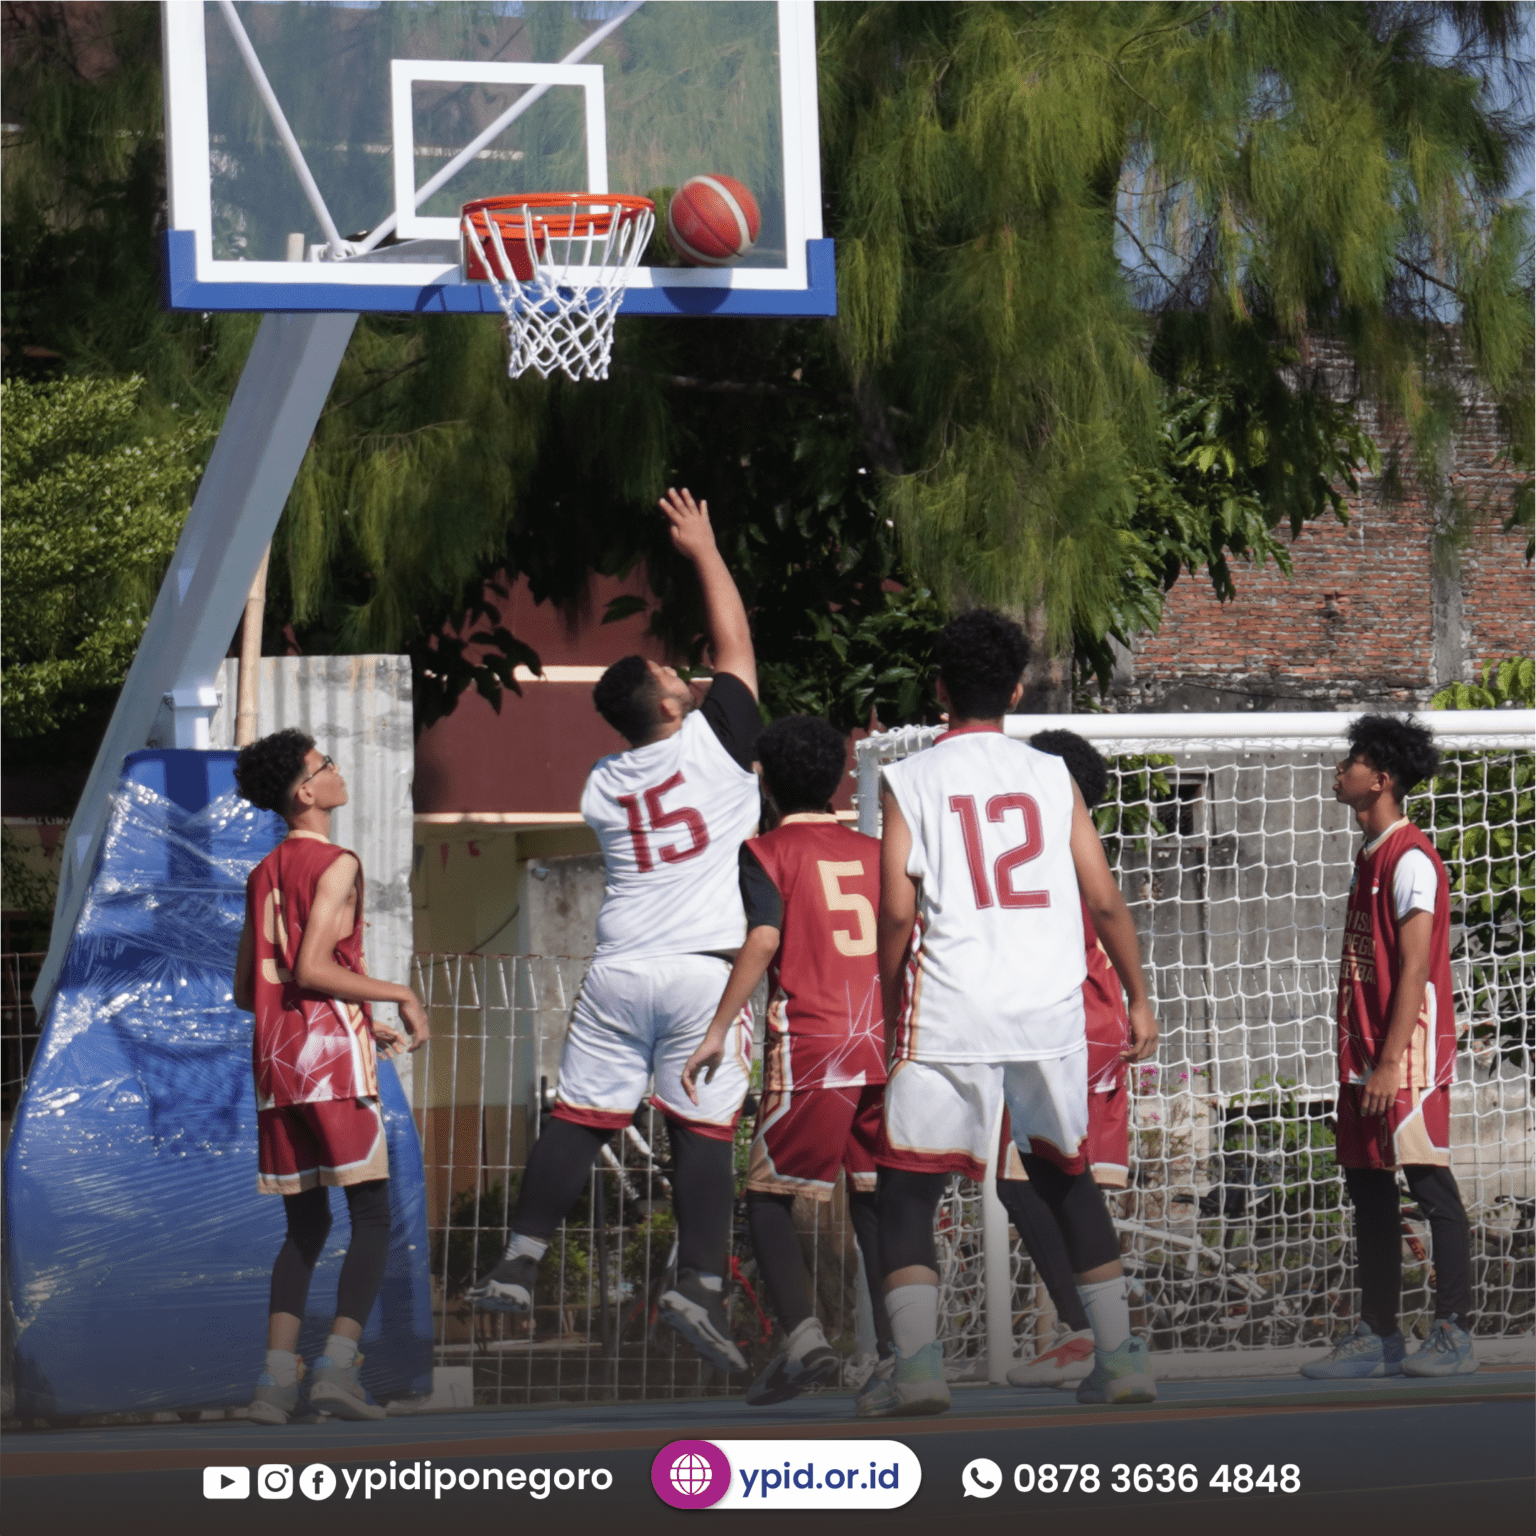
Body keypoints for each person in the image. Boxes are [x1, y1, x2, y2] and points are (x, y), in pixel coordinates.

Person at [468, 487, 761, 1375]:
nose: (685, 674)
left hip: (618, 969)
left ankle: (518, 1263)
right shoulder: (715, 743)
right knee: (704, 1128)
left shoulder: (602, 781)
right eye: (672, 677)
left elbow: (704, 675)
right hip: (703, 968)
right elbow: (736, 644)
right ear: (669, 708)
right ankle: (699, 1284)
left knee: (580, 1116)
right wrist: (704, 548)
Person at [859, 609, 1159, 1419]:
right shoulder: (1051, 775)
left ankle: (918, 1370)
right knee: (1067, 1177)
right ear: (1018, 691)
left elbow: (896, 911)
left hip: (952, 1001)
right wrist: (1138, 996)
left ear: (939, 689)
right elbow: (1104, 899)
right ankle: (1119, 1357)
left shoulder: (911, 778)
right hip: (1047, 1007)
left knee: (908, 1188)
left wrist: (891, 999)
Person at [682, 714, 895, 1405]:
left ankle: (805, 1342)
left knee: (768, 1198)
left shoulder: (766, 850)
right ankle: (899, 1352)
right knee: (875, 1199)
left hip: (814, 1042)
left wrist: (718, 1028)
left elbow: (766, 937)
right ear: (838, 779)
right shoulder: (876, 851)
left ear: (764, 781)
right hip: (884, 1039)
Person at [232, 729, 431, 1424]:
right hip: (330, 1064)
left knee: (306, 1224)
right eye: (326, 765)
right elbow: (314, 967)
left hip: (275, 1064)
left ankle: (273, 1382)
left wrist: (356, 1016)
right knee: (372, 1215)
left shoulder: (263, 872)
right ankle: (338, 1369)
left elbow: (247, 989)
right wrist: (397, 995)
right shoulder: (337, 862)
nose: (339, 771)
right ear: (305, 792)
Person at [1301, 714, 1477, 1379]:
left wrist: (1391, 1060)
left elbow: (1415, 967)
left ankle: (1455, 1331)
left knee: (1430, 1186)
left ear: (1379, 778)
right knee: (1367, 1189)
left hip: (1405, 1054)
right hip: (1365, 1050)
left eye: (1351, 760)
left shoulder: (1411, 859)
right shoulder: (1370, 854)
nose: (1339, 769)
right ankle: (1379, 1334)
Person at [998, 729, 1135, 1388]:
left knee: (1021, 1174)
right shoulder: (1079, 847)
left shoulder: (1034, 851)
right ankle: (1101, 1336)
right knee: (1064, 1180)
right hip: (1101, 1017)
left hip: (1064, 1024)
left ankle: (1089, 1332)